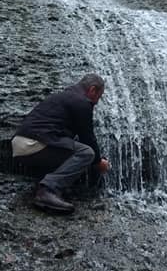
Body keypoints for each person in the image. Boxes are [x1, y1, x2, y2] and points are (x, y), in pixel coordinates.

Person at [12, 73, 110, 213]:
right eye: (98, 97)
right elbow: (87, 137)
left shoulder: (63, 97)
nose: (96, 102)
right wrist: (98, 161)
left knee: (73, 146)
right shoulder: (81, 102)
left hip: (20, 143)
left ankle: (46, 184)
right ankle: (48, 190)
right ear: (92, 90)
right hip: (33, 144)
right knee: (86, 153)